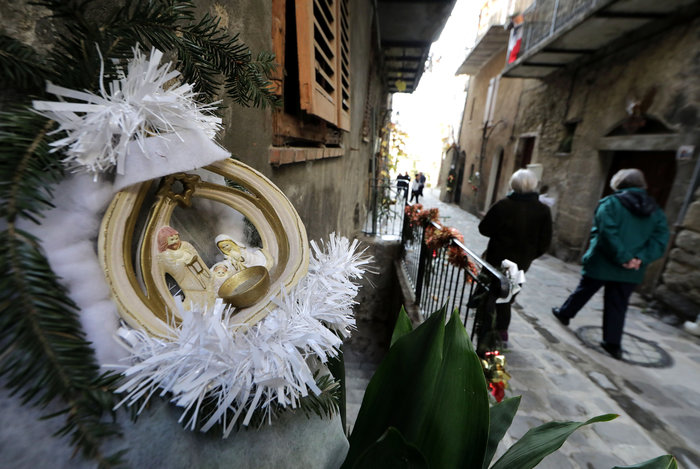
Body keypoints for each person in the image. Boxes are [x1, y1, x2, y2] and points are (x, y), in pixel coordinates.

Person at [552, 168, 669, 359]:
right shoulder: (656, 211)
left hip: (603, 261)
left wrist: (624, 257)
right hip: (632, 269)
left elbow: (607, 233)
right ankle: (612, 343)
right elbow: (660, 240)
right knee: (618, 303)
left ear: (619, 183)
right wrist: (639, 258)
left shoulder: (611, 204)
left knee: (585, 290)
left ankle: (565, 313)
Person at [477, 168, 552, 351]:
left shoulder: (503, 205)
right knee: (507, 296)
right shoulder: (543, 210)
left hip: (496, 260)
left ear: (513, 185)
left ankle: (486, 331)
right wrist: (529, 256)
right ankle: (500, 332)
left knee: (490, 294)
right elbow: (544, 243)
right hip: (520, 263)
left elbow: (484, 229)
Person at [156, 226, 212, 309]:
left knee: (208, 296)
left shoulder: (185, 246)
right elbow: (175, 271)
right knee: (195, 301)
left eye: (176, 238)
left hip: (200, 278)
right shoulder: (165, 256)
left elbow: (198, 260)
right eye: (172, 239)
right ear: (164, 242)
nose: (175, 241)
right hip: (188, 285)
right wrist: (183, 261)